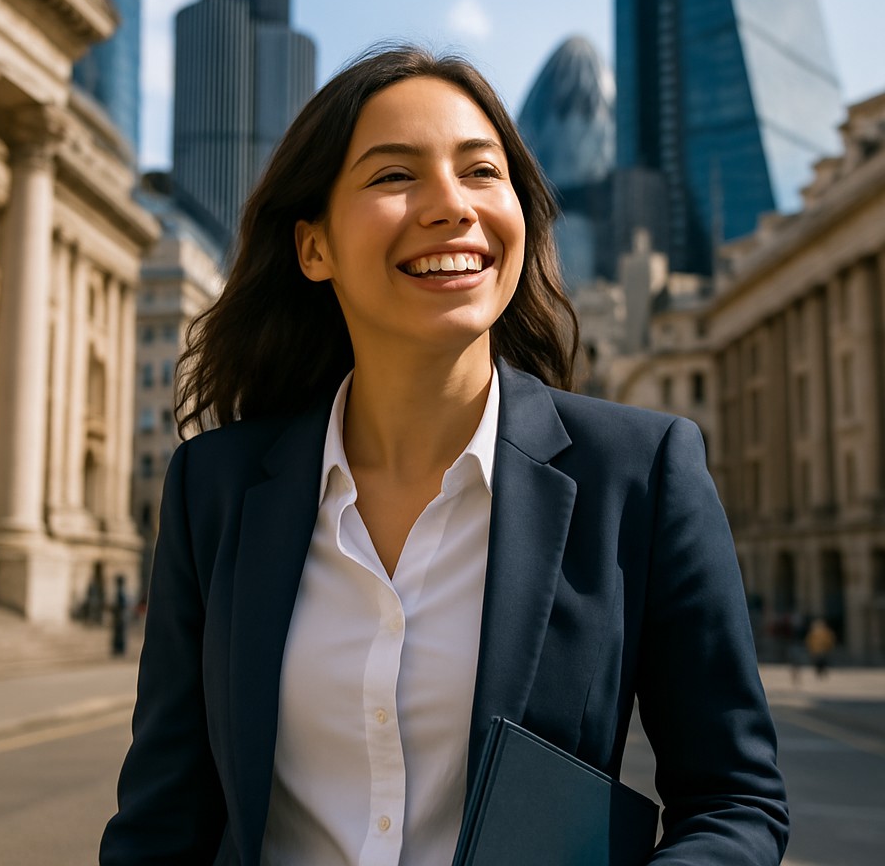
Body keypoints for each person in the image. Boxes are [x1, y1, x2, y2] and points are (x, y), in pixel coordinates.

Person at [99, 46, 788, 865]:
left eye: (481, 172)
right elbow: (160, 822)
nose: (451, 206)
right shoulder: (212, 489)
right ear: (313, 248)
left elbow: (734, 802)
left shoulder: (641, 474)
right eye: (394, 177)